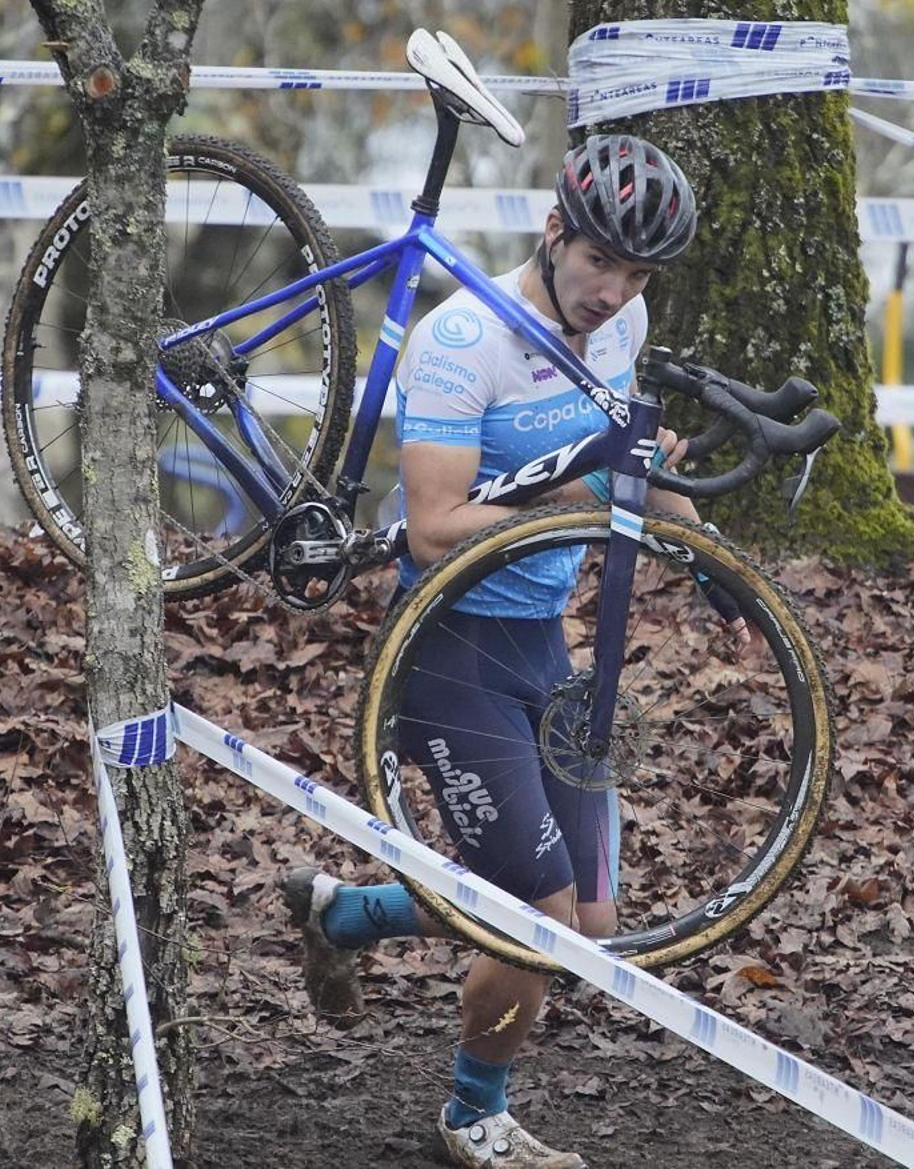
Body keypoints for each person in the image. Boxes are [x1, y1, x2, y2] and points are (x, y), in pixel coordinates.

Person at [286, 135, 711, 1169]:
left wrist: (707, 554)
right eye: (600, 262)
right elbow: (434, 528)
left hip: (544, 647)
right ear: (553, 231)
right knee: (538, 920)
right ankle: (473, 1113)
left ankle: (346, 915)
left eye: (637, 275)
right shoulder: (461, 341)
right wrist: (584, 487)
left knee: (591, 923)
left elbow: (631, 464)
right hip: (451, 649)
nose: (614, 294)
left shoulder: (623, 325)